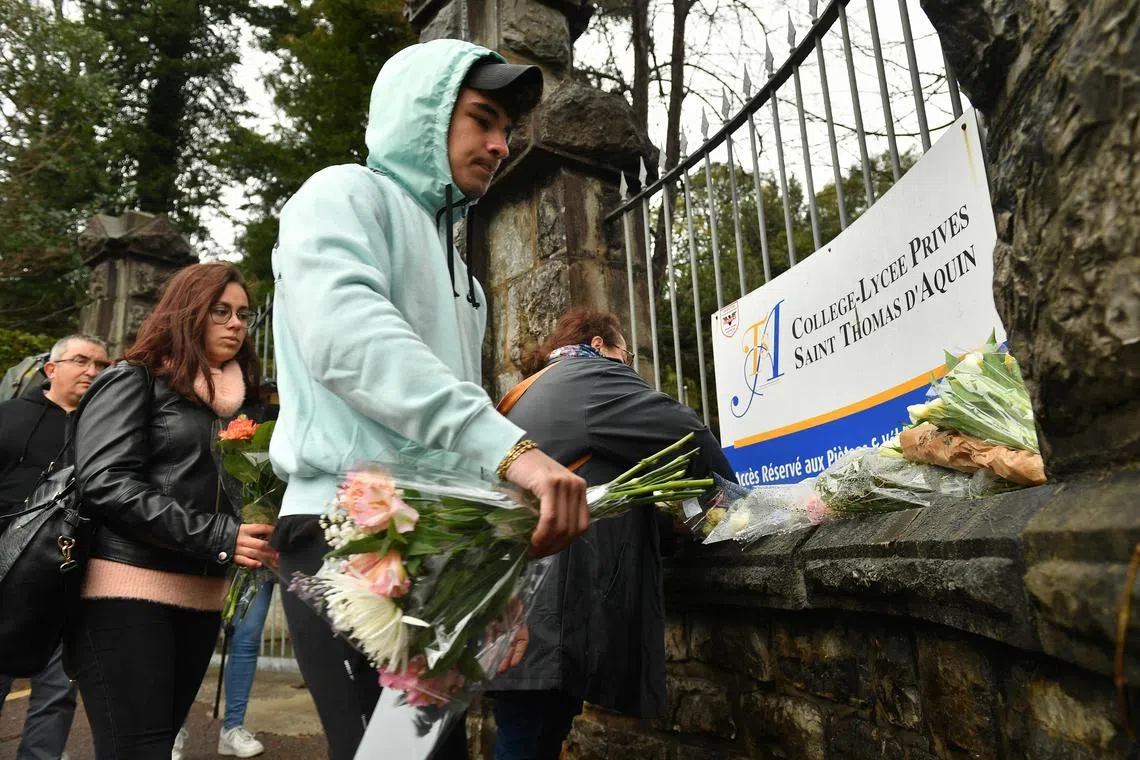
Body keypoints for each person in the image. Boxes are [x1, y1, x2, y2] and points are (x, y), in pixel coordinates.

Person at [269, 38, 589, 760]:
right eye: (482, 119)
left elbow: (445, 434)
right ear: (425, 115)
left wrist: (493, 589)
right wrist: (512, 450)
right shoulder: (342, 194)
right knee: (384, 757)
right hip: (342, 533)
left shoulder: (465, 282)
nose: (500, 144)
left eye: (507, 129)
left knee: (428, 756)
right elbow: (352, 342)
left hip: (439, 551)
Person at [488, 309, 737, 760]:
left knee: (528, 730)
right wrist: (734, 508)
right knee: (530, 738)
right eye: (626, 354)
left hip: (518, 594)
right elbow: (689, 435)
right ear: (601, 344)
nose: (628, 366)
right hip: (550, 606)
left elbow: (594, 493)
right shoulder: (593, 376)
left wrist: (665, 528)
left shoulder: (529, 391)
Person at [68, 263, 277, 760]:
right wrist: (219, 536)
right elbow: (105, 483)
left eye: (243, 314)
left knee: (157, 746)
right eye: (220, 312)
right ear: (187, 314)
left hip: (201, 596)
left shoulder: (236, 407)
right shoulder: (130, 379)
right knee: (137, 749)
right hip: (124, 591)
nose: (236, 324)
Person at [0, 334, 109, 760]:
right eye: (82, 361)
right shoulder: (8, 417)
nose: (93, 372)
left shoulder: (107, 429)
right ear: (51, 369)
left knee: (57, 690)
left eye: (102, 365)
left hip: (71, 575)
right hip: (6, 571)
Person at [217, 581, 274, 758]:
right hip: (207, 561)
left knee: (247, 641)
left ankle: (232, 728)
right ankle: (175, 730)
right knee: (193, 641)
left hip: (257, 564)